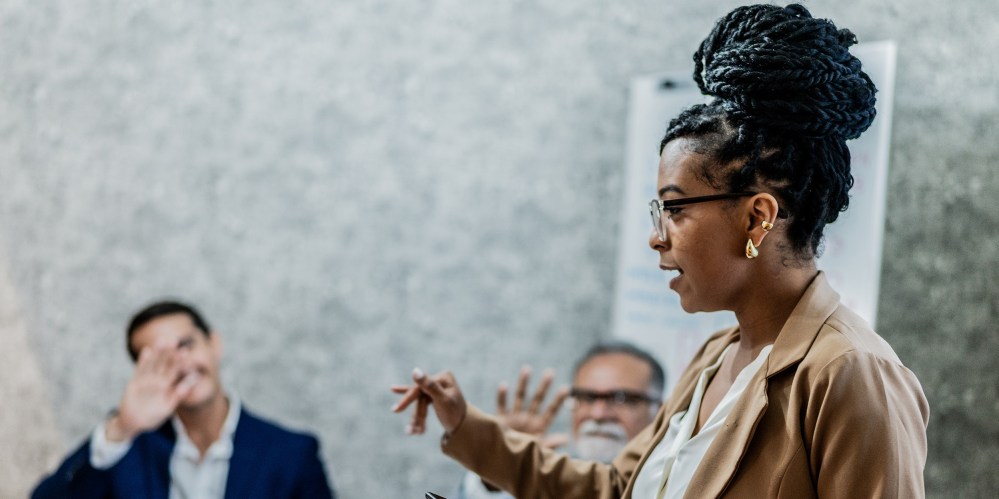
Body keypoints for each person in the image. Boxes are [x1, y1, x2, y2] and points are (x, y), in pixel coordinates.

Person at [393, 4, 930, 498]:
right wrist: (468, 426)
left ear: (757, 217)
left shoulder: (850, 373)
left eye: (674, 209)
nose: (657, 236)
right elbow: (617, 487)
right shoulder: (716, 355)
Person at [32, 300, 336, 499]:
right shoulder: (127, 450)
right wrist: (121, 430)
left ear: (214, 344)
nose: (180, 363)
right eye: (161, 357)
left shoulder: (291, 453)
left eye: (186, 345)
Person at [455, 342, 666, 499]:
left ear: (660, 410)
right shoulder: (545, 477)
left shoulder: (672, 483)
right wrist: (502, 468)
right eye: (587, 397)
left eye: (621, 398)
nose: (598, 414)